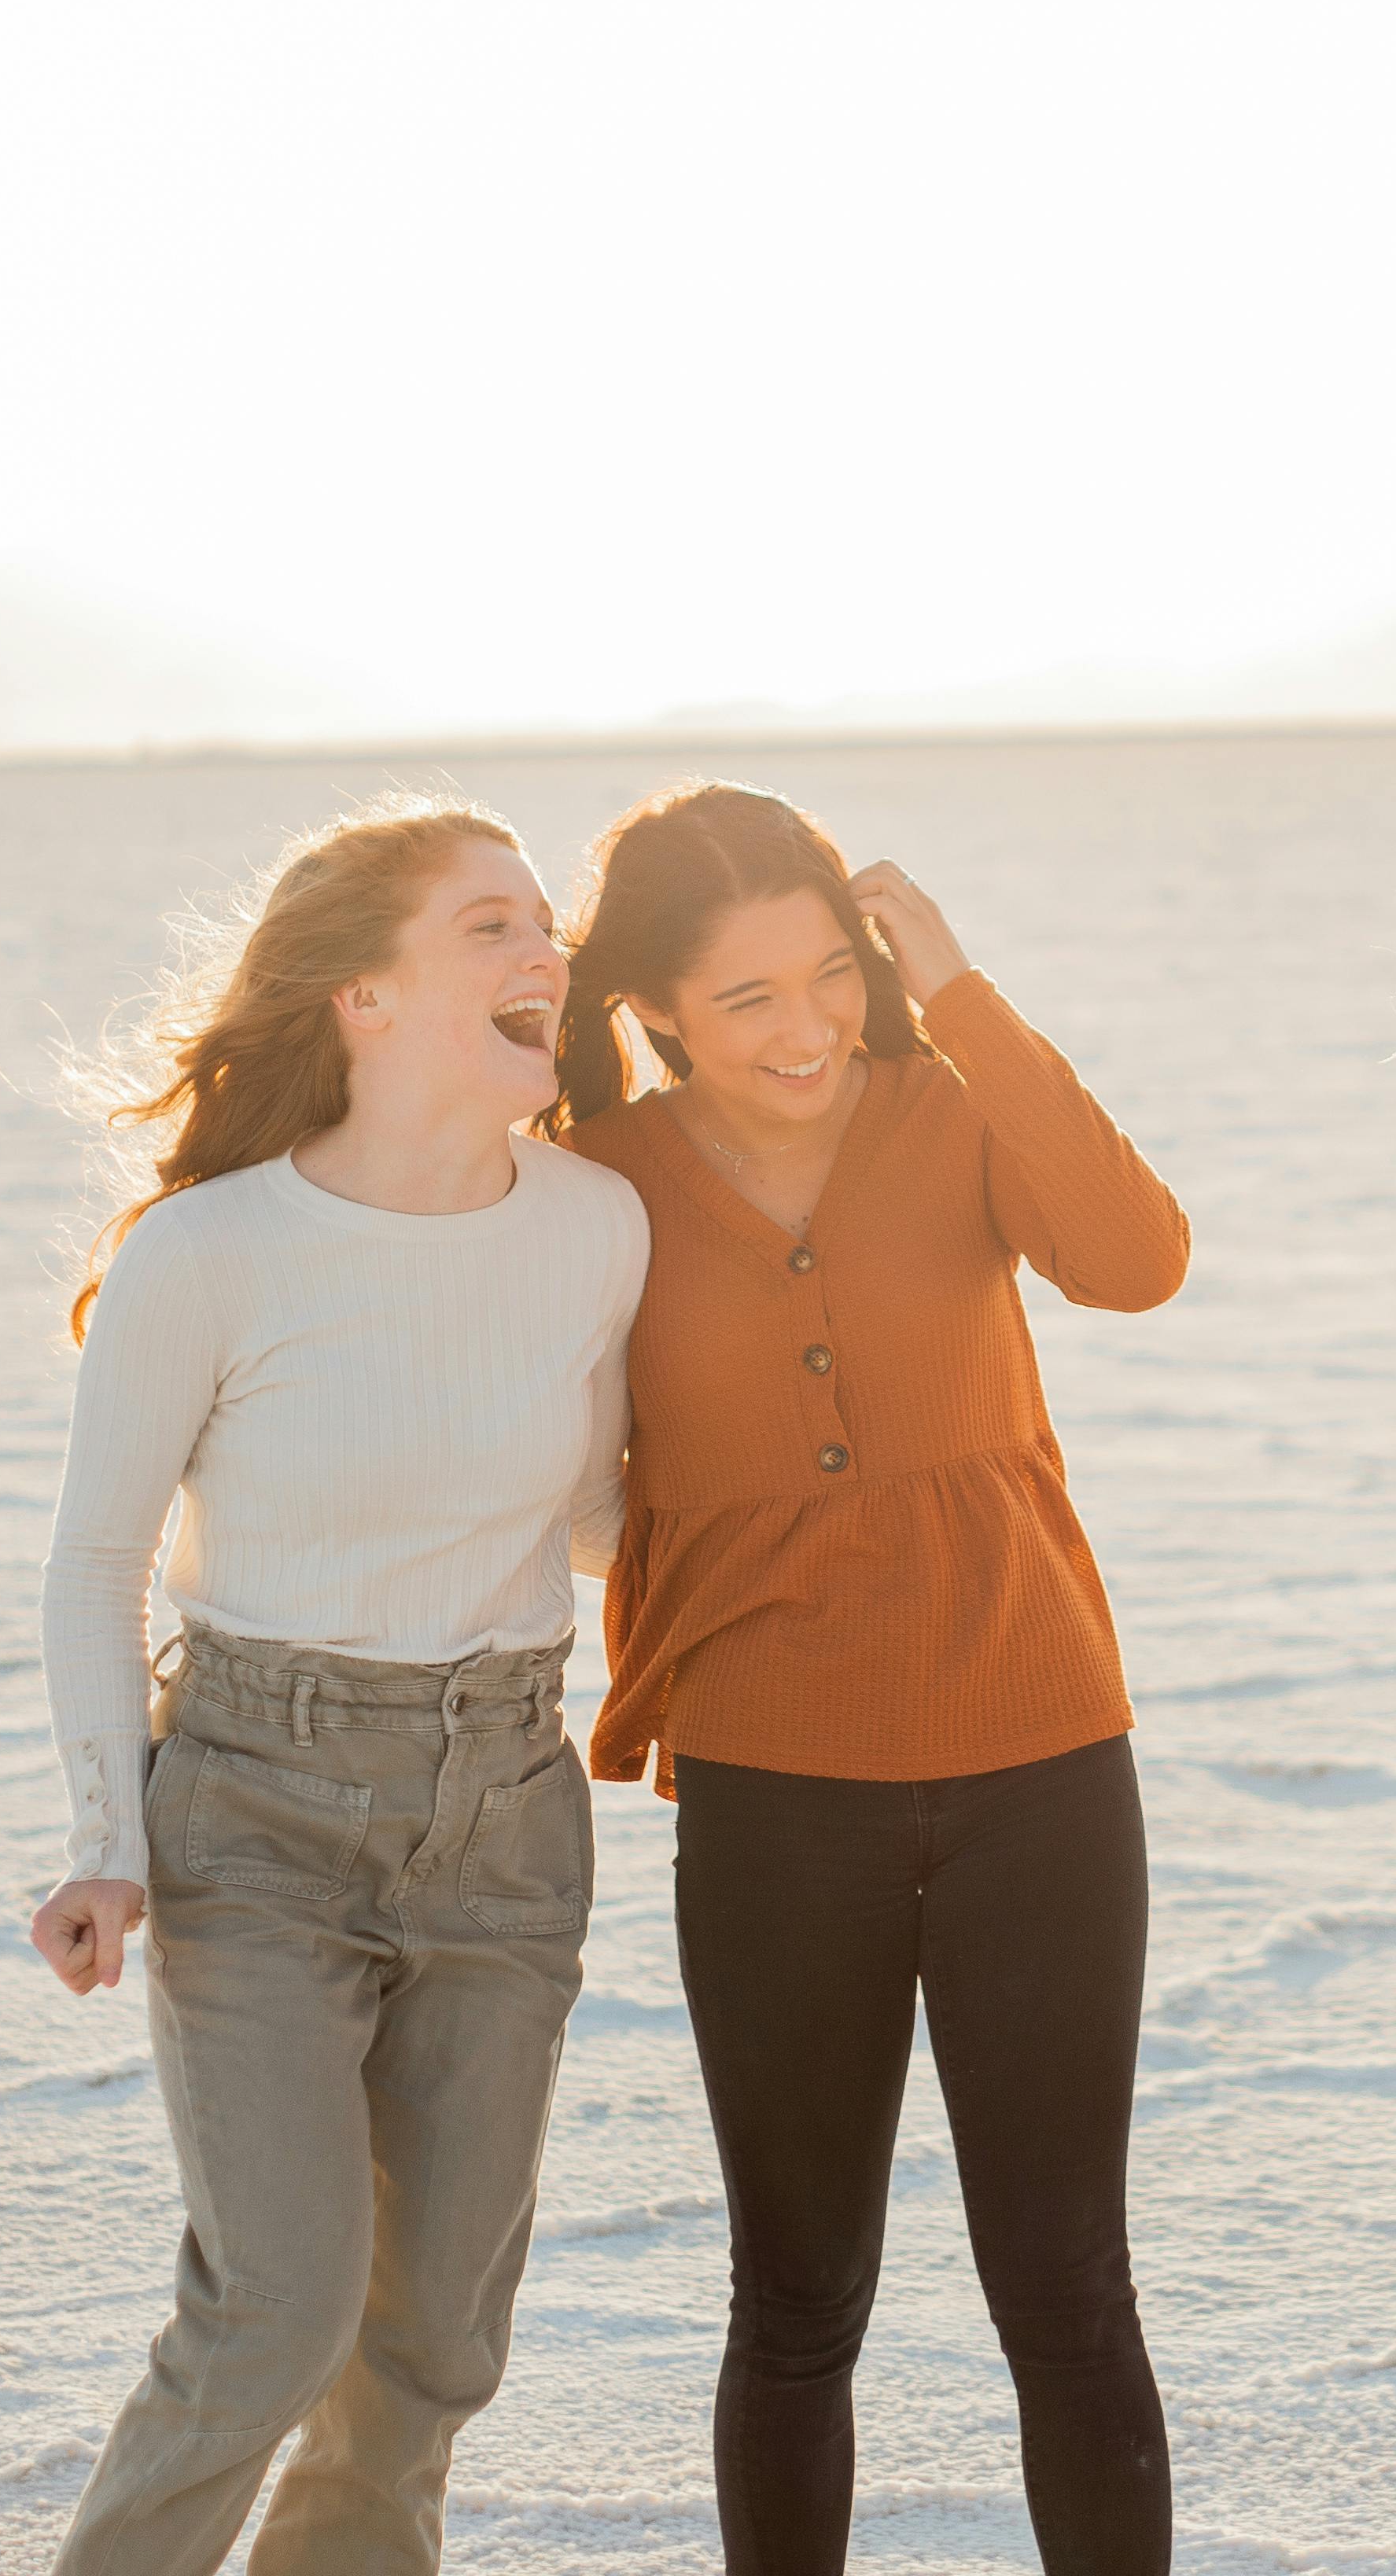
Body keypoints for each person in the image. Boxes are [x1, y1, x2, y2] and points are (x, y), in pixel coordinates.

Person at [549, 782, 1188, 2576]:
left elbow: (1137, 1261)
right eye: (748, 996)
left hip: (1044, 1765)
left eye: (831, 974)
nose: (808, 1026)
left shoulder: (952, 1107)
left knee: (1066, 2287)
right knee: (798, 2293)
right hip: (772, 1798)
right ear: (657, 1006)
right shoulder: (597, 1184)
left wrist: (967, 997)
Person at [28, 797, 652, 2575]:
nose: (547, 951)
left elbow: (599, 1519)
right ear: (361, 996)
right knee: (275, 2315)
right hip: (256, 1810)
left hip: (507, 1813)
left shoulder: (598, 1223)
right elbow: (95, 1561)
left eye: (548, 922)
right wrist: (103, 1844)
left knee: (429, 2352)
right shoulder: (210, 1251)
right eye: (489, 925)